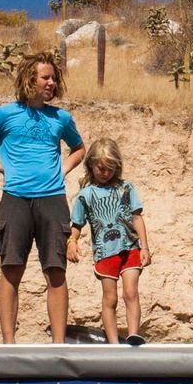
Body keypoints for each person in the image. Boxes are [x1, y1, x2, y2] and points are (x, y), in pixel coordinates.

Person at [0, 54, 84, 342]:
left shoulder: (61, 118)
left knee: (56, 271)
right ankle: (9, 344)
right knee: (11, 268)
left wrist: (63, 169)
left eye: (54, 78)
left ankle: (58, 345)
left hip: (53, 199)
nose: (51, 83)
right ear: (30, 79)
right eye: (45, 77)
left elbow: (79, 148)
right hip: (15, 198)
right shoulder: (4, 114)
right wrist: (2, 167)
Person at [68, 139, 152, 345]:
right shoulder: (85, 196)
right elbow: (76, 224)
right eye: (101, 168)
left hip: (130, 248)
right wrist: (72, 241)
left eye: (110, 168)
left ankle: (133, 335)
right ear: (91, 165)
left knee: (131, 292)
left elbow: (137, 217)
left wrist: (145, 247)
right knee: (110, 297)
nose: (105, 173)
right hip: (105, 253)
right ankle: (113, 343)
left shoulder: (126, 188)